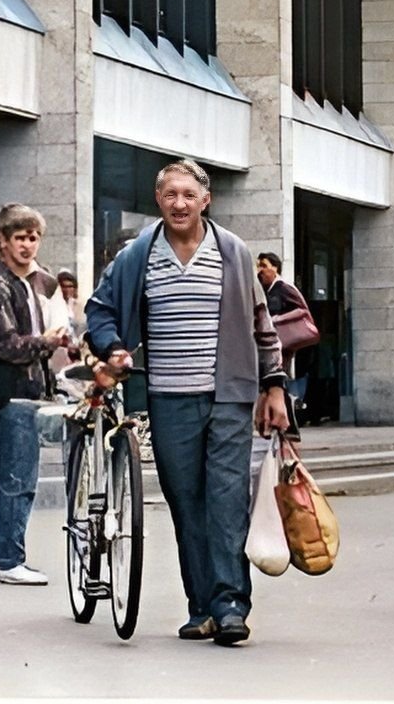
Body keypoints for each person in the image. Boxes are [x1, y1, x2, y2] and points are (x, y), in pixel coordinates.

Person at [86, 159, 289, 646]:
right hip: (169, 398)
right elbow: (100, 309)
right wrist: (113, 344)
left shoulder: (234, 253)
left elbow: (264, 327)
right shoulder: (138, 255)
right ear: (160, 200)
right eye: (170, 194)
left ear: (205, 200)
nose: (179, 203)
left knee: (225, 499)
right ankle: (201, 607)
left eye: (188, 195)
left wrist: (275, 386)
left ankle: (231, 605)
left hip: (230, 395)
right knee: (186, 500)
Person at [0, 204, 70, 587]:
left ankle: (5, 554)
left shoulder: (37, 282)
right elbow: (3, 343)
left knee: (21, 475)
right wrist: (45, 343)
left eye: (33, 238)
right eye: (20, 238)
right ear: (2, 241)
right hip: (8, 392)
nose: (28, 245)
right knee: (14, 478)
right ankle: (7, 557)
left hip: (30, 389)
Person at [257, 252, 313, 407]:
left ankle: (291, 408)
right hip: (273, 345)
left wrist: (277, 320)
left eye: (264, 266)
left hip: (286, 345)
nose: (259, 270)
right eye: (258, 266)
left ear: (275, 268)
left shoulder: (284, 288)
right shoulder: (265, 291)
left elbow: (302, 310)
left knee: (283, 379)